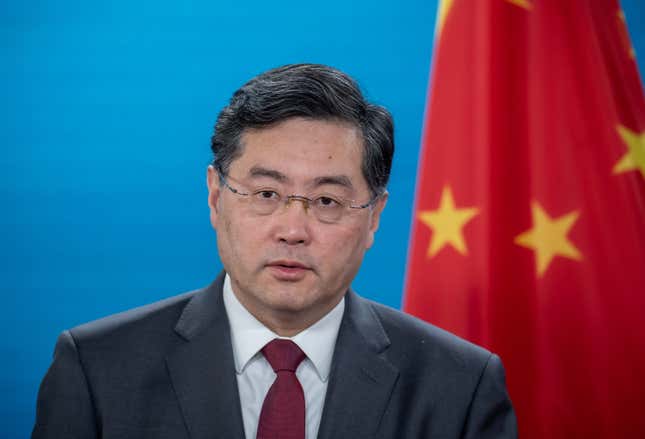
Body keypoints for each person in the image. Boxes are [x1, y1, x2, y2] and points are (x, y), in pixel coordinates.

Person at [32, 64, 517, 439]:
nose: (293, 229)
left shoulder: (460, 387)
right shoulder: (97, 368)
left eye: (327, 201)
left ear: (373, 217)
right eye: (266, 194)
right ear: (216, 197)